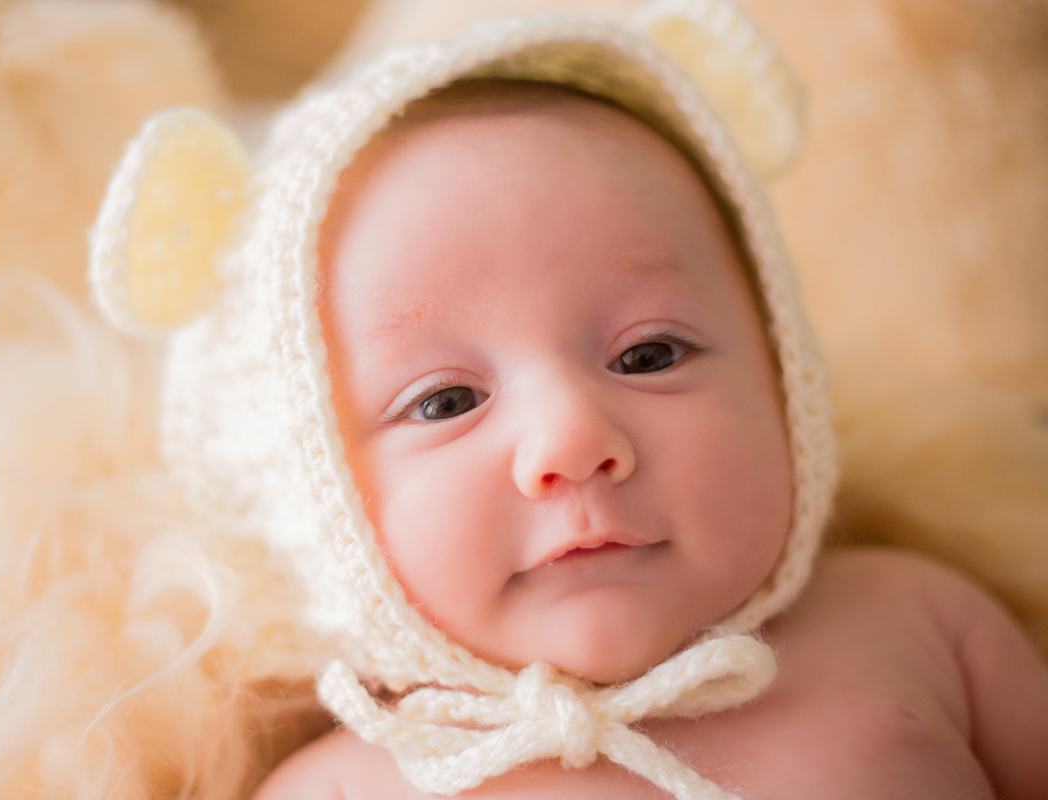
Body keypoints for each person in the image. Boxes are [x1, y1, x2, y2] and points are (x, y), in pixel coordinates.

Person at [87, 8, 1048, 799]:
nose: (574, 440)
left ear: (782, 378)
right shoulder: (344, 787)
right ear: (307, 507)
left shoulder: (915, 623)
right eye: (447, 401)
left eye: (650, 352)